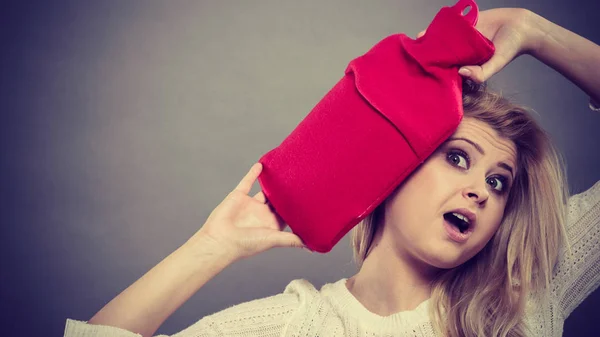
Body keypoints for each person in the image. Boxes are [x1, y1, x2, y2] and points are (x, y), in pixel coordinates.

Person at [64, 7, 600, 337]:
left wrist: (533, 32)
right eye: (457, 158)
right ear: (396, 169)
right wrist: (212, 246)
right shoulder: (298, 325)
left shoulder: (527, 295)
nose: (481, 192)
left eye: (497, 181)